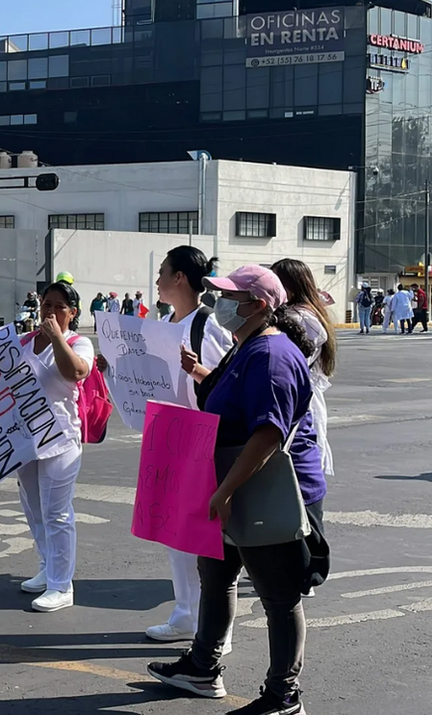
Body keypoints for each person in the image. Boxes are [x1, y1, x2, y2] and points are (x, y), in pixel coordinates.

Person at [149, 264, 325, 715]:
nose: (221, 303)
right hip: (234, 481)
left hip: (265, 487)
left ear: (260, 306)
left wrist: (224, 491)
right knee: (216, 574)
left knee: (278, 595)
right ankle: (202, 667)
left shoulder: (272, 354)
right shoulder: (247, 344)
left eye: (230, 296)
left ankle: (283, 695)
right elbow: (236, 403)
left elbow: (267, 432)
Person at [0, 279, 93, 612]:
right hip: (24, 439)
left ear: (72, 313)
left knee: (57, 512)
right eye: (46, 305)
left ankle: (61, 585)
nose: (51, 311)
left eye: (59, 306)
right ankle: (47, 566)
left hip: (60, 439)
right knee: (33, 507)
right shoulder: (23, 340)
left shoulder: (78, 341)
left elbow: (75, 372)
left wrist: (57, 338)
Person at [142, 246, 234, 645]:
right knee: (174, 531)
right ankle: (186, 612)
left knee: (205, 538)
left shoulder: (205, 325)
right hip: (170, 435)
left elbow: (222, 384)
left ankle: (216, 626)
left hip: (200, 438)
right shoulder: (165, 322)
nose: (158, 278)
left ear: (180, 277)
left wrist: (196, 371)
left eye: (163, 271)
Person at [273, 259, 338, 478]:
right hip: (304, 399)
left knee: (299, 470)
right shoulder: (306, 313)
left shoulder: (300, 319)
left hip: (300, 403)